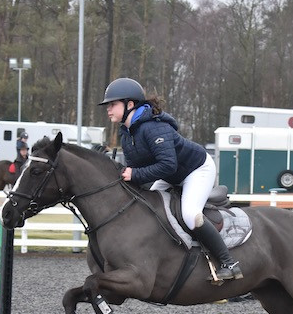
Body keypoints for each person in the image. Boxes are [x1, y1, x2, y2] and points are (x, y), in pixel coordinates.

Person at [99, 77, 242, 281]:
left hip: (196, 170)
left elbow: (167, 164)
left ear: (129, 104)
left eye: (112, 104)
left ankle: (229, 262)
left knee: (190, 214)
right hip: (169, 175)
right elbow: (135, 171)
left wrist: (135, 174)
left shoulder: (154, 128)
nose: (108, 109)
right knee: (149, 206)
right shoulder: (126, 134)